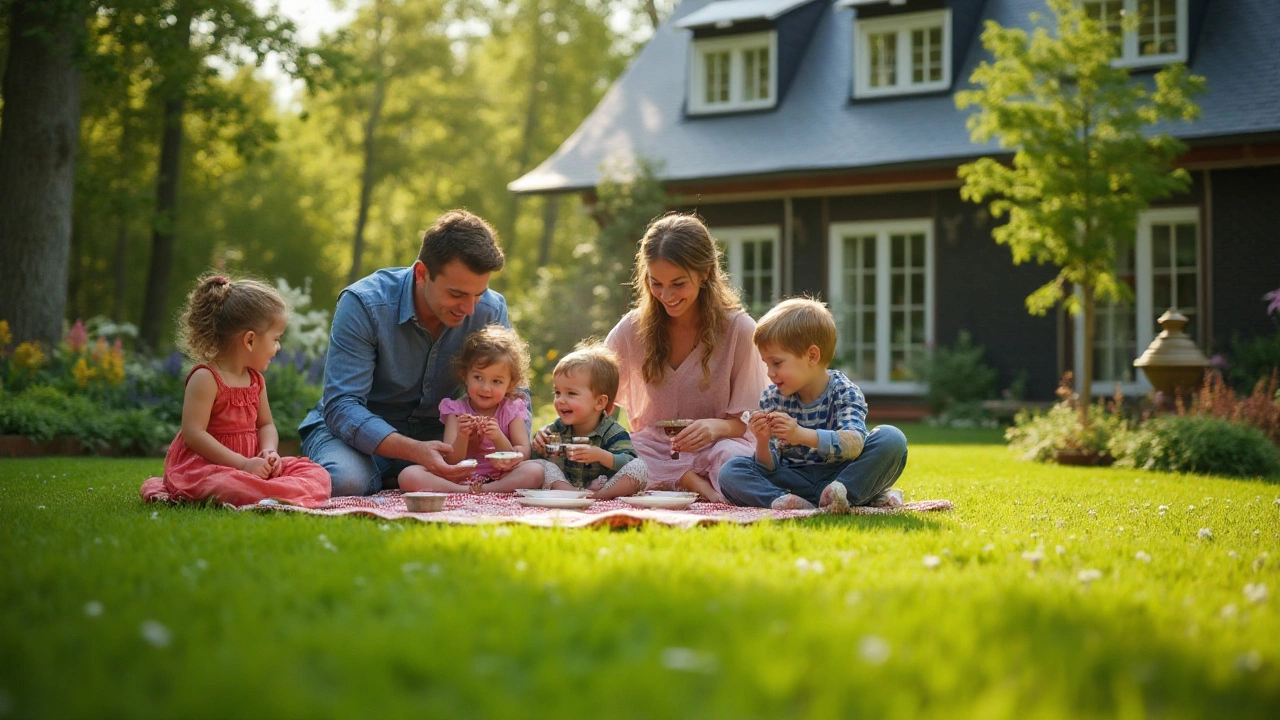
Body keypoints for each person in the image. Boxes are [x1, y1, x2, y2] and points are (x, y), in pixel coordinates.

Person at [298, 209, 512, 496]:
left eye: (478, 294)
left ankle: (397, 480)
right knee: (345, 482)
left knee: (519, 470)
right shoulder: (364, 304)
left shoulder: (491, 309)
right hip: (358, 438)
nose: (471, 309)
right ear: (422, 273)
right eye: (457, 295)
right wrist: (414, 451)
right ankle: (390, 476)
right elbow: (342, 406)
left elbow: (513, 389)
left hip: (440, 439)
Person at [600, 212, 768, 503]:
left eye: (678, 284)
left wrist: (715, 427)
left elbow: (751, 422)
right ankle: (688, 483)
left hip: (717, 447)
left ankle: (678, 483)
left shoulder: (739, 330)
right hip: (652, 449)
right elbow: (598, 395)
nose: (666, 295)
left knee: (731, 460)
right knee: (620, 458)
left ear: (705, 272)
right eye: (656, 283)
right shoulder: (631, 329)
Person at [140, 275, 330, 507]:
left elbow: (266, 424)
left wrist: (269, 452)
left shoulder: (255, 381)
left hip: (251, 465)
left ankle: (265, 493)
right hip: (209, 466)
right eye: (276, 339)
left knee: (316, 473)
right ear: (250, 340)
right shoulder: (206, 378)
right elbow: (194, 434)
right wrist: (242, 465)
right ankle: (270, 495)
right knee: (228, 485)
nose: (278, 348)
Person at [717, 298, 908, 511]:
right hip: (793, 481)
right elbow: (769, 468)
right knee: (730, 470)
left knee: (892, 438)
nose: (770, 373)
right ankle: (785, 501)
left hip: (841, 475)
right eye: (767, 364)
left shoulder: (843, 391)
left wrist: (800, 434)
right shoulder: (773, 398)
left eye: (777, 363)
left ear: (812, 356)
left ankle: (839, 494)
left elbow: (854, 443)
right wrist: (762, 442)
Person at [492, 341, 647, 499]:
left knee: (639, 467)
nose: (560, 400)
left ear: (599, 402)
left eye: (571, 393)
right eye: (557, 392)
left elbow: (627, 460)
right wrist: (537, 447)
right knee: (541, 467)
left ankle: (599, 496)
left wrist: (601, 455)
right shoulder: (556, 429)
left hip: (604, 485)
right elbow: (535, 461)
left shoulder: (613, 432)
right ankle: (572, 494)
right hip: (565, 484)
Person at [399, 325, 532, 492]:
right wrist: (462, 436)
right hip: (459, 477)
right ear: (464, 375)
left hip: (502, 476)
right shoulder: (456, 411)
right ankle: (465, 491)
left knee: (534, 470)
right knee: (409, 475)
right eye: (478, 377)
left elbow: (523, 453)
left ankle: (489, 489)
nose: (486, 388)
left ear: (510, 384)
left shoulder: (512, 409)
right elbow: (451, 460)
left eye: (496, 381)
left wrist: (498, 437)